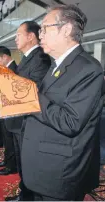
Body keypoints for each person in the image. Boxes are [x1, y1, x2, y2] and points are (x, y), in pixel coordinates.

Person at [21, 5, 104, 201]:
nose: (40, 35)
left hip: (60, 173)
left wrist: (31, 96)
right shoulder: (57, 64)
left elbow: (70, 121)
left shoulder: (88, 69)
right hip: (43, 166)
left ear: (66, 29)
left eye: (44, 28)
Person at [5, 20, 51, 201]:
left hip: (28, 120)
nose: (15, 39)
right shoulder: (27, 58)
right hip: (20, 119)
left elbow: (35, 89)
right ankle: (25, 193)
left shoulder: (40, 58)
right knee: (22, 160)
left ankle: (29, 196)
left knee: (29, 162)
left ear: (31, 36)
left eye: (18, 35)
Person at [0, 46, 18, 176]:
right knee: (7, 139)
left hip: (10, 111)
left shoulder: (13, 69)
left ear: (5, 57)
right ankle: (7, 161)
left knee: (10, 140)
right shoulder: (5, 69)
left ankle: (11, 166)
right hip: (4, 109)